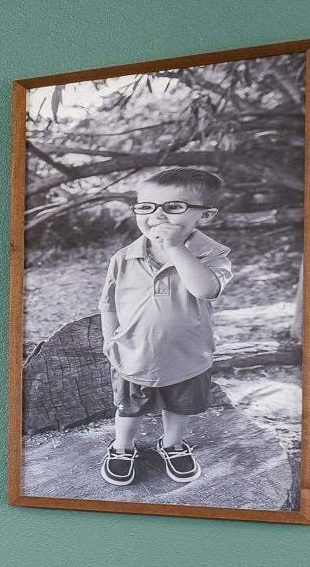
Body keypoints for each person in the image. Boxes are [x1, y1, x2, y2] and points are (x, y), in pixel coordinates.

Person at [99, 166, 232, 485]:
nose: (157, 216)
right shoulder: (124, 257)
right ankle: (122, 446)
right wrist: (109, 342)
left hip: (188, 356)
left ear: (206, 216)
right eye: (146, 207)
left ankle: (172, 444)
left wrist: (175, 248)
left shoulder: (214, 256)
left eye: (173, 207)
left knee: (179, 406)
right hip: (134, 354)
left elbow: (205, 289)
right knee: (129, 409)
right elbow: (108, 304)